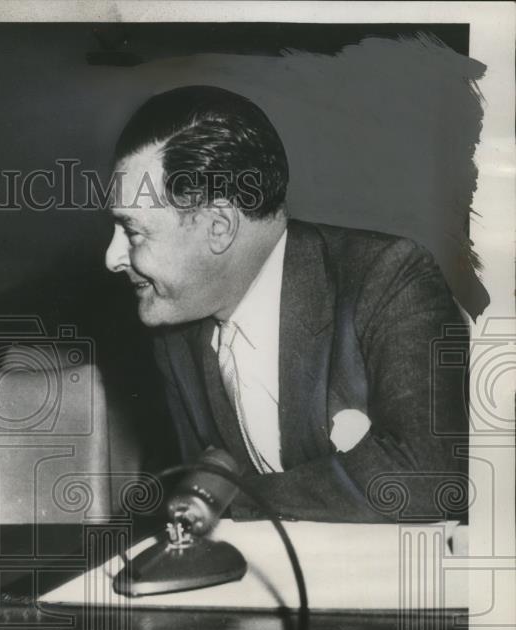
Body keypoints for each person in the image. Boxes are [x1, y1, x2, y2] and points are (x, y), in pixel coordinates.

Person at [104, 86, 468, 522]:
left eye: (133, 231)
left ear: (219, 227)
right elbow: (200, 477)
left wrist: (234, 499)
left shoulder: (388, 277)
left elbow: (430, 478)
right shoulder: (174, 325)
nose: (111, 258)